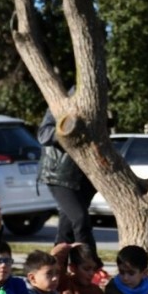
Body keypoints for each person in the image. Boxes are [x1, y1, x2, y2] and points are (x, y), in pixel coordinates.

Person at [37, 99, 99, 255]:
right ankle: (88, 263)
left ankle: (58, 265)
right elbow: (43, 135)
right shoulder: (59, 106)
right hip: (58, 174)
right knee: (80, 219)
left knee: (67, 228)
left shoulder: (97, 108)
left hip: (83, 177)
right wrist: (69, 130)